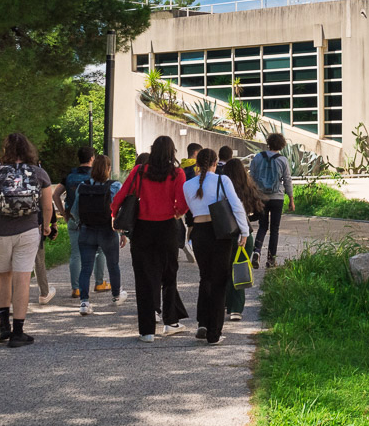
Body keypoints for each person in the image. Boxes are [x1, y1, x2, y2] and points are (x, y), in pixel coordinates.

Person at [0, 133, 54, 348]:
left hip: (0, 231)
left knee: (2, 277)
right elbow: (47, 206)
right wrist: (46, 226)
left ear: (6, 150)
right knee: (22, 279)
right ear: (28, 150)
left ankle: (4, 326)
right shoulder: (39, 173)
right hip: (28, 231)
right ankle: (18, 332)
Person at [111, 135, 189, 343]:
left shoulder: (139, 171)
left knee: (144, 279)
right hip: (167, 228)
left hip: (142, 228)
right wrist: (176, 213)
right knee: (169, 276)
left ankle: (147, 331)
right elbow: (182, 202)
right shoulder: (177, 173)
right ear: (172, 152)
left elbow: (120, 196)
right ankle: (170, 321)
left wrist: (114, 215)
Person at [182, 148, 249, 344]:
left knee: (205, 277)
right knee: (219, 281)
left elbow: (191, 210)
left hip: (199, 232)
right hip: (220, 232)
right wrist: (244, 231)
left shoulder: (188, 185)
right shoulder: (222, 180)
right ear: (215, 162)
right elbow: (236, 206)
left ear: (197, 163)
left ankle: (202, 323)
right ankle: (214, 333)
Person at [75, 155, 129, 315]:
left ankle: (84, 302)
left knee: (86, 267)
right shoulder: (115, 186)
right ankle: (116, 296)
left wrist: (81, 223)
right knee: (113, 265)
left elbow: (76, 210)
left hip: (87, 230)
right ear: (108, 169)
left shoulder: (82, 185)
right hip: (107, 231)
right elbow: (120, 211)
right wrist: (122, 232)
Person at [51, 146, 108, 298]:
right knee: (99, 251)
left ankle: (76, 288)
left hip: (73, 218)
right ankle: (99, 283)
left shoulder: (70, 175)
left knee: (76, 254)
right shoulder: (96, 175)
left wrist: (63, 213)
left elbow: (55, 195)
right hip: (93, 220)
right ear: (92, 158)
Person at [219, 158, 264, 321]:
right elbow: (259, 213)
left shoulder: (221, 187)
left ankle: (224, 303)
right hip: (244, 234)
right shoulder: (249, 188)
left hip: (224, 232)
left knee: (224, 270)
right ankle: (236, 309)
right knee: (239, 270)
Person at [250, 133, 294, 269]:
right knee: (275, 229)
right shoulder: (282, 160)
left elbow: (251, 177)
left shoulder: (258, 157)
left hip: (261, 197)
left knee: (263, 226)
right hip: (277, 198)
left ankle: (257, 251)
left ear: (268, 143)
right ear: (281, 145)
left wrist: (253, 196)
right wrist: (291, 199)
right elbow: (287, 180)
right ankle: (271, 259)